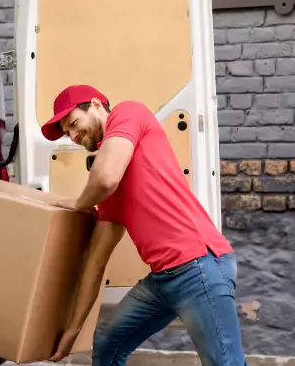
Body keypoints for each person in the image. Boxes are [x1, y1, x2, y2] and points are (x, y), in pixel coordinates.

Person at [42, 85, 247, 366]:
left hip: (199, 266)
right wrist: (74, 328)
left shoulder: (128, 113)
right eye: (67, 133)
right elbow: (95, 263)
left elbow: (103, 178)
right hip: (164, 278)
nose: (73, 136)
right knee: (107, 345)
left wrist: (78, 204)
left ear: (96, 105)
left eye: (74, 124)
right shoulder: (110, 196)